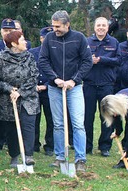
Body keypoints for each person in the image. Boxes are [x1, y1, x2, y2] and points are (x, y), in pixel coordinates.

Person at [37, 10, 93, 172]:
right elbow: (43, 60)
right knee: (58, 124)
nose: (55, 29)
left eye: (58, 26)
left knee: (77, 123)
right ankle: (60, 156)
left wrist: (73, 80)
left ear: (67, 25)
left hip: (74, 88)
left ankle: (80, 159)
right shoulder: (49, 39)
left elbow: (87, 61)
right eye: (53, 26)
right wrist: (55, 79)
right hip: (55, 88)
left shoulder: (79, 38)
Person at [0, 30, 39, 167]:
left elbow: (34, 77)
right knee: (11, 129)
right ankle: (15, 155)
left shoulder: (29, 57)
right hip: (8, 100)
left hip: (28, 98)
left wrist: (21, 91)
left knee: (28, 126)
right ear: (14, 43)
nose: (25, 42)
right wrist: (8, 88)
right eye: (22, 40)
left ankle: (28, 155)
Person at [83, 17, 120, 157]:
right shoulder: (87, 42)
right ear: (94, 27)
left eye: (103, 25)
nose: (101, 28)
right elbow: (80, 60)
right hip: (89, 85)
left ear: (107, 27)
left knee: (107, 117)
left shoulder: (114, 43)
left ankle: (105, 146)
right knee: (87, 117)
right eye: (98, 25)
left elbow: (118, 60)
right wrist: (89, 60)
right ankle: (87, 146)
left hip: (106, 85)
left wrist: (101, 60)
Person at [0, 18, 18, 153]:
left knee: (12, 117)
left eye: (10, 31)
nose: (7, 33)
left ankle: (11, 142)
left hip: (15, 89)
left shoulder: (19, 47)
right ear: (1, 31)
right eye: (5, 30)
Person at [28, 27, 55, 156]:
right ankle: (34, 145)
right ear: (41, 38)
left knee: (52, 120)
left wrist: (47, 85)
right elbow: (27, 71)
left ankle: (50, 146)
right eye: (45, 37)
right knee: (34, 119)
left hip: (50, 89)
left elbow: (59, 72)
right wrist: (34, 85)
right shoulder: (32, 52)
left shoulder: (56, 53)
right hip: (34, 91)